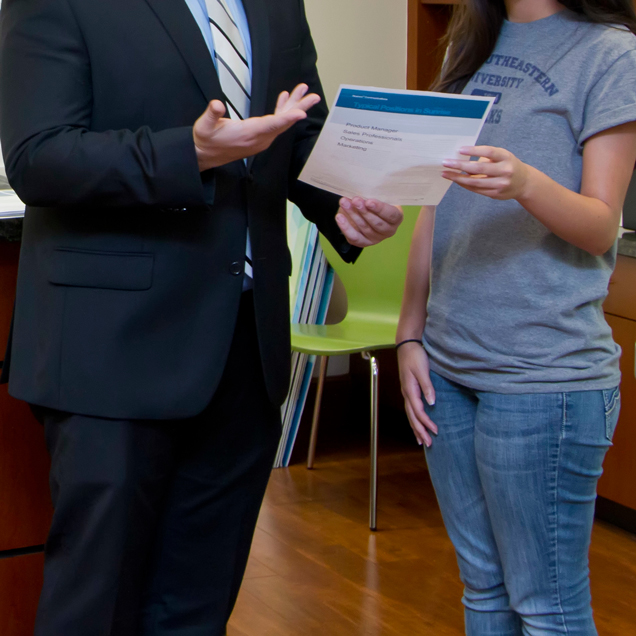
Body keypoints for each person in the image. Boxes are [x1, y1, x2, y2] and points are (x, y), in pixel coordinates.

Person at [0, 0, 403, 634]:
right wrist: (187, 152)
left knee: (197, 608)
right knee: (95, 609)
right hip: (111, 350)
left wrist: (347, 204)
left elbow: (297, 131)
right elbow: (39, 156)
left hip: (246, 343)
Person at [396, 0, 636, 634]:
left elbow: (601, 226)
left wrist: (525, 182)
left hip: (544, 376)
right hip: (445, 371)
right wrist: (409, 334)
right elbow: (433, 204)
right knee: (482, 590)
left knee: (546, 608)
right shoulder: (468, 43)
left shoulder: (612, 52)